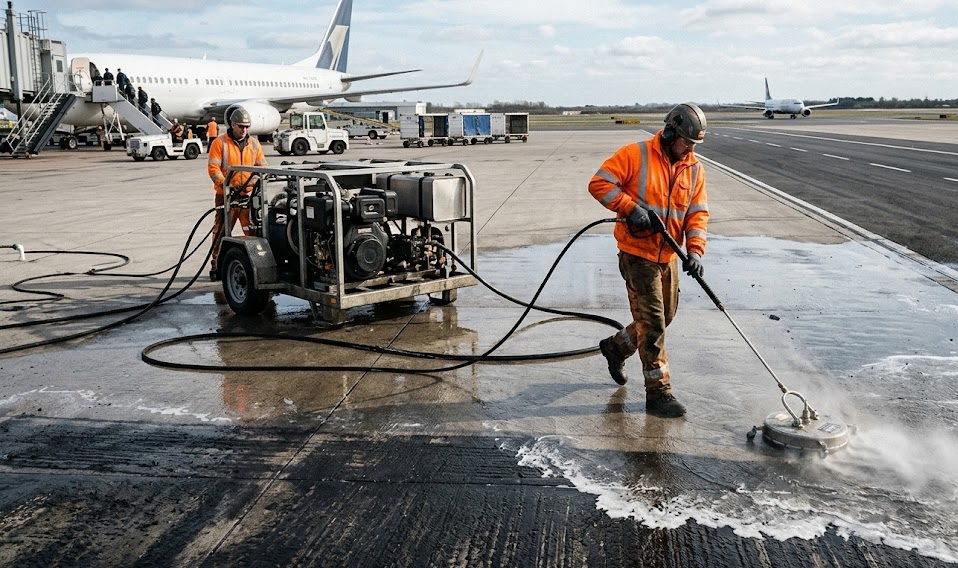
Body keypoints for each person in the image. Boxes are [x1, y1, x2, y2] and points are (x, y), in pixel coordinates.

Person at [588, 103, 709, 418]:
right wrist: (630, 208)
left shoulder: (694, 168)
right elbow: (598, 184)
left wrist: (695, 251)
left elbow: (697, 213)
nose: (690, 149)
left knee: (663, 317)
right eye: (686, 141)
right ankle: (658, 393)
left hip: (668, 255)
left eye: (695, 144)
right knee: (653, 324)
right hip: (637, 254)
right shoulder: (635, 155)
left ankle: (615, 347)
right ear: (670, 132)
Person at [207, 107, 268, 281]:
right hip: (226, 196)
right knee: (222, 231)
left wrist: (255, 183)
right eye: (241, 126)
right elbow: (213, 169)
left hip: (247, 197)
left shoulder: (254, 144)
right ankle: (217, 265)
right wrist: (225, 184)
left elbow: (262, 167)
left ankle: (258, 265)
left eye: (247, 127)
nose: (245, 130)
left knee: (253, 231)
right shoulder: (220, 143)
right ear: (232, 124)